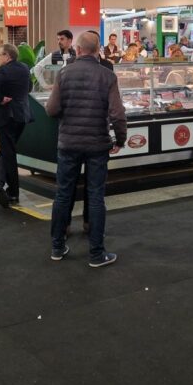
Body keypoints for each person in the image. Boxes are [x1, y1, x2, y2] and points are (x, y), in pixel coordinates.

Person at [46, 31, 126, 267]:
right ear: (98, 50)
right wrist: (120, 140)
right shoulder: (107, 76)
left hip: (68, 143)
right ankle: (96, 254)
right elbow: (118, 114)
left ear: (78, 50)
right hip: (97, 144)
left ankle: (57, 247)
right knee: (95, 196)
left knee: (62, 194)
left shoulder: (63, 73)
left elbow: (51, 109)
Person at [0, 43, 32, 207]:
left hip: (6, 117)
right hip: (22, 116)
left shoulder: (3, 71)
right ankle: (0, 182)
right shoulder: (25, 69)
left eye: (0, 55)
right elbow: (29, 88)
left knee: (8, 153)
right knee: (4, 152)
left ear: (7, 56)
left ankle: (12, 191)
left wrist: (0, 99)